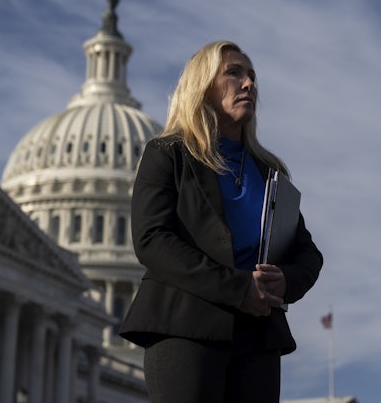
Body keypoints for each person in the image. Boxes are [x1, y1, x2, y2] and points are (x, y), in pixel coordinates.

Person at [119, 40, 323, 403]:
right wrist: (239, 288)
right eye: (234, 73)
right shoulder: (168, 153)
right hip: (186, 328)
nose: (249, 84)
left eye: (252, 77)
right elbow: (152, 240)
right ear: (202, 86)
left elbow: (308, 254)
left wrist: (284, 281)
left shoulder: (270, 171)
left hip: (258, 335)